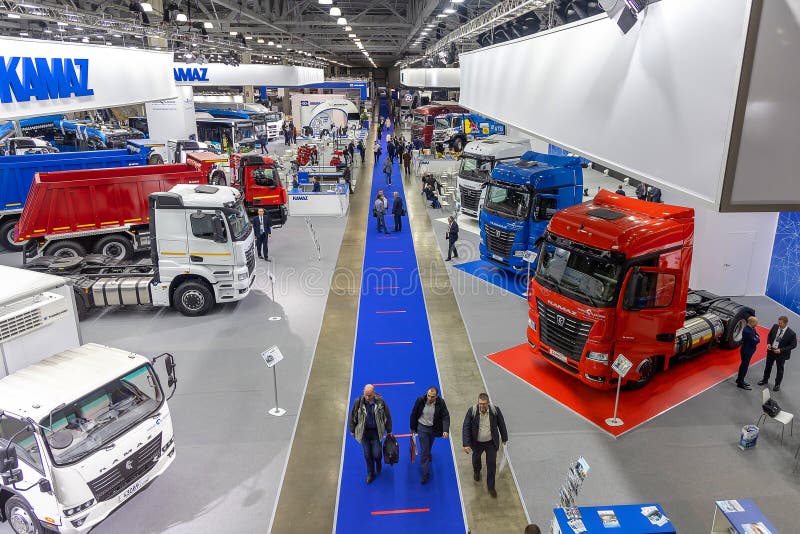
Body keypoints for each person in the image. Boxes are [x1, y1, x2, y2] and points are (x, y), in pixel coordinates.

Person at [462, 393, 508, 498]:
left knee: (491, 464)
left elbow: (501, 424)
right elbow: (466, 427)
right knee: (475, 459)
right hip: (477, 443)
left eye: (484, 404)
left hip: (491, 443)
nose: (481, 406)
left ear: (488, 403)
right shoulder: (472, 411)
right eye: (480, 404)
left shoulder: (495, 411)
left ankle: (491, 486)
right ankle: (477, 471)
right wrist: (466, 443)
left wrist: (505, 439)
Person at [348, 384, 393, 484]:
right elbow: (352, 417)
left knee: (377, 454)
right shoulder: (358, 402)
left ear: (374, 393)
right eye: (366, 395)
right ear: (363, 393)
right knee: (367, 454)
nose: (367, 397)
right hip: (364, 432)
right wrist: (352, 430)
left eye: (370, 395)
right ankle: (370, 473)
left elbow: (387, 415)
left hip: (376, 431)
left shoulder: (381, 402)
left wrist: (389, 430)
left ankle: (378, 462)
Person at [409, 386, 450, 484]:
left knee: (429, 446)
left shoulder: (441, 402)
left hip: (434, 429)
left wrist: (445, 430)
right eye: (428, 396)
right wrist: (412, 427)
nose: (430, 398)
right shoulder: (420, 400)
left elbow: (446, 416)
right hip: (422, 428)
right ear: (426, 394)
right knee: (424, 451)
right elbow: (414, 413)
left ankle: (428, 454)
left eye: (432, 397)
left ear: (437, 396)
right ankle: (425, 474)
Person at [758, 316, 797, 392]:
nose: (779, 324)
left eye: (781, 323)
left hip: (781, 354)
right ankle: (765, 379)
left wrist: (781, 350)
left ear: (786, 323)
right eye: (778, 322)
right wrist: (768, 343)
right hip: (771, 351)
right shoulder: (775, 326)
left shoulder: (791, 333)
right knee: (768, 366)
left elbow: (793, 345)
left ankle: (777, 385)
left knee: (780, 370)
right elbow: (769, 335)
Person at [736, 316, 760, 390]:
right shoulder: (747, 331)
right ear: (752, 322)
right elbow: (756, 340)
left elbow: (757, 335)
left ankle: (739, 379)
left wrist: (756, 338)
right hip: (747, 351)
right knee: (744, 366)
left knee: (744, 365)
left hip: (748, 349)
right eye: (756, 323)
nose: (757, 324)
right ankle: (740, 382)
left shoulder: (751, 328)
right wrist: (757, 339)